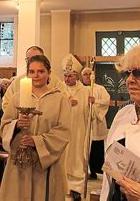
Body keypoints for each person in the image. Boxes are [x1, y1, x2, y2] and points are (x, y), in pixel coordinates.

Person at [0, 55, 71, 200]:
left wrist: (37, 142)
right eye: (31, 72)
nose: (36, 75)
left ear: (49, 73)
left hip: (45, 163)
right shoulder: (16, 98)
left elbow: (64, 131)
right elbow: (4, 126)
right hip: (19, 162)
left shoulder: (60, 99)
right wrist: (16, 125)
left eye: (40, 71)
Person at [100, 41, 140, 200]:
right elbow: (108, 179)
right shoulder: (123, 114)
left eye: (139, 73)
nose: (130, 80)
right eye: (127, 73)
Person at [2, 45, 68, 111]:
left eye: (36, 58)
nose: (31, 61)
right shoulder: (18, 81)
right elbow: (6, 103)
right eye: (28, 59)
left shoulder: (55, 81)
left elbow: (64, 102)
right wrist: (19, 118)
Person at [62, 53, 89, 201]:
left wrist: (92, 104)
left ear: (77, 76)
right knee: (64, 157)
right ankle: (63, 186)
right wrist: (67, 104)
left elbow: (92, 115)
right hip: (63, 131)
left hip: (79, 130)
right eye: (65, 76)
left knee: (77, 157)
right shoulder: (59, 90)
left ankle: (76, 189)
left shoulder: (85, 91)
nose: (67, 79)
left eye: (70, 76)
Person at [81, 67, 110, 180]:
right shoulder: (80, 89)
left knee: (95, 148)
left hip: (96, 122)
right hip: (83, 123)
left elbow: (106, 100)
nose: (87, 76)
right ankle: (83, 171)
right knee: (83, 148)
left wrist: (95, 101)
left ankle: (94, 170)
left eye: (89, 74)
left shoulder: (100, 88)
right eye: (85, 74)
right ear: (82, 76)